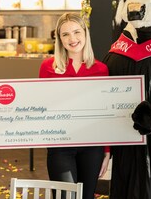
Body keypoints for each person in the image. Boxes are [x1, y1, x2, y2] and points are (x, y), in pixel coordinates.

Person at [39, 13, 110, 199]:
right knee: (65, 197)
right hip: (60, 145)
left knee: (86, 196)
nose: (72, 39)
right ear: (59, 39)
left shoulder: (101, 69)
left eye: (77, 32)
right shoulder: (48, 68)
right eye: (65, 34)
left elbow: (106, 113)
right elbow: (37, 103)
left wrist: (107, 151)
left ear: (85, 34)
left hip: (92, 147)